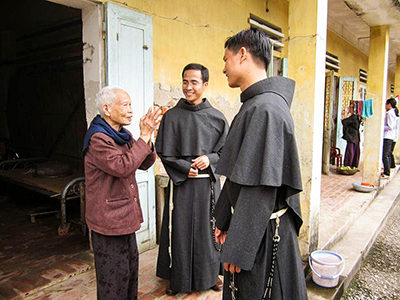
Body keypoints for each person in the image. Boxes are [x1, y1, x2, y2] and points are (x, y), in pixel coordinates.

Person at [214, 28, 308, 299]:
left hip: (262, 234)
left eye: (226, 59)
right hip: (252, 226)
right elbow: (240, 172)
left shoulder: (266, 109)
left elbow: (261, 186)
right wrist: (223, 217)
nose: (223, 68)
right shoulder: (256, 104)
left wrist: (239, 249)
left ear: (242, 54)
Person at [156, 63, 229, 295]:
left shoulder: (217, 118)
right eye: (185, 81)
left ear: (205, 85)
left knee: (210, 232)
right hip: (183, 187)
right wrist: (183, 167)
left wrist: (209, 158)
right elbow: (164, 152)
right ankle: (179, 277)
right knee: (180, 232)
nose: (188, 87)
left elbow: (226, 152)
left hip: (208, 187)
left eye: (194, 82)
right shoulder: (172, 117)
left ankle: (211, 276)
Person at [83, 86, 161, 300]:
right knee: (112, 281)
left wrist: (148, 136)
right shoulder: (98, 139)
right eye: (125, 105)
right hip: (108, 221)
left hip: (124, 216)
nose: (130, 110)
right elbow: (123, 166)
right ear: (107, 108)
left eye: (130, 105)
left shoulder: (121, 135)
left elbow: (144, 162)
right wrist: (143, 135)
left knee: (128, 274)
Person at [382, 98, 398, 178]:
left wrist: (381, 127)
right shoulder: (392, 113)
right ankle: (386, 170)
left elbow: (390, 126)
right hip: (389, 136)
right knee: (386, 154)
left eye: (386, 104)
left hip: (388, 136)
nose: (385, 106)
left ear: (389, 105)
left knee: (385, 154)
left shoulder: (390, 113)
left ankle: (387, 172)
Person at [390, 100, 399, 169]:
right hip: (393, 136)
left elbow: (392, 127)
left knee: (389, 152)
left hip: (392, 137)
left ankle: (392, 165)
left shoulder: (396, 119)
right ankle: (391, 165)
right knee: (389, 152)